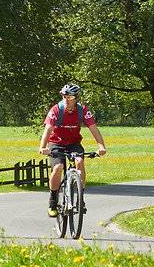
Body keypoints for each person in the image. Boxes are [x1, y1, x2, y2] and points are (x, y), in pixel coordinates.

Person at [39, 82, 107, 216]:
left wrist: (101, 146)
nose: (66, 99)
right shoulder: (56, 110)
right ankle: (53, 199)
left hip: (74, 143)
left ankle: (81, 198)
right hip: (56, 143)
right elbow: (47, 130)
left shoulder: (83, 111)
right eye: (64, 96)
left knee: (79, 162)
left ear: (76, 98)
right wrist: (43, 147)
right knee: (58, 167)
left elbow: (93, 128)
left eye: (69, 97)